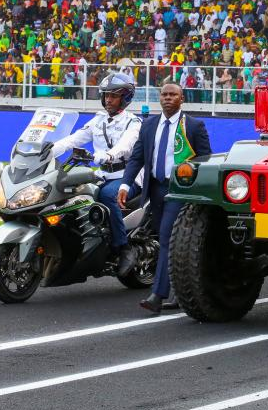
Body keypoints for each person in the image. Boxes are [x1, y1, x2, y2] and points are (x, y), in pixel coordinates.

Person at [119, 82, 211, 314]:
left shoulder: (193, 126)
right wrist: (125, 184)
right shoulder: (149, 125)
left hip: (180, 190)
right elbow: (137, 158)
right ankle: (181, 292)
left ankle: (157, 296)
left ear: (182, 99)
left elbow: (205, 159)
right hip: (156, 190)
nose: (168, 98)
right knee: (168, 242)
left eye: (173, 95)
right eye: (164, 94)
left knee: (169, 237)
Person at [50, 72, 142, 277]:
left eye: (113, 95)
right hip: (102, 174)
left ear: (125, 98)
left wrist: (108, 155)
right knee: (76, 195)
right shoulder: (97, 121)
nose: (108, 99)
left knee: (108, 195)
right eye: (106, 95)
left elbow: (126, 146)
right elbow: (73, 140)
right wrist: (47, 150)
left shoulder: (133, 122)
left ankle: (123, 247)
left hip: (128, 176)